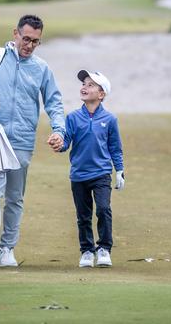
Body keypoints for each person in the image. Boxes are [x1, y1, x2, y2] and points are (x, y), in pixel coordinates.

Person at [0, 14, 65, 268]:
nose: (29, 45)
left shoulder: (41, 68)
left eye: (35, 41)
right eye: (26, 38)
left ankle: (8, 247)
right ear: (15, 34)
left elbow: (54, 102)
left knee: (15, 197)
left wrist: (59, 131)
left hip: (22, 140)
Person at [58, 70, 125, 268]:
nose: (84, 87)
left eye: (90, 85)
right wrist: (58, 143)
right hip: (78, 174)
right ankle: (87, 251)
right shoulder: (72, 117)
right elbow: (65, 143)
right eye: (83, 84)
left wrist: (119, 170)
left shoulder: (110, 120)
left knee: (103, 210)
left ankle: (104, 248)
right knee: (83, 216)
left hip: (102, 173)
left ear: (101, 93)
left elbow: (115, 147)